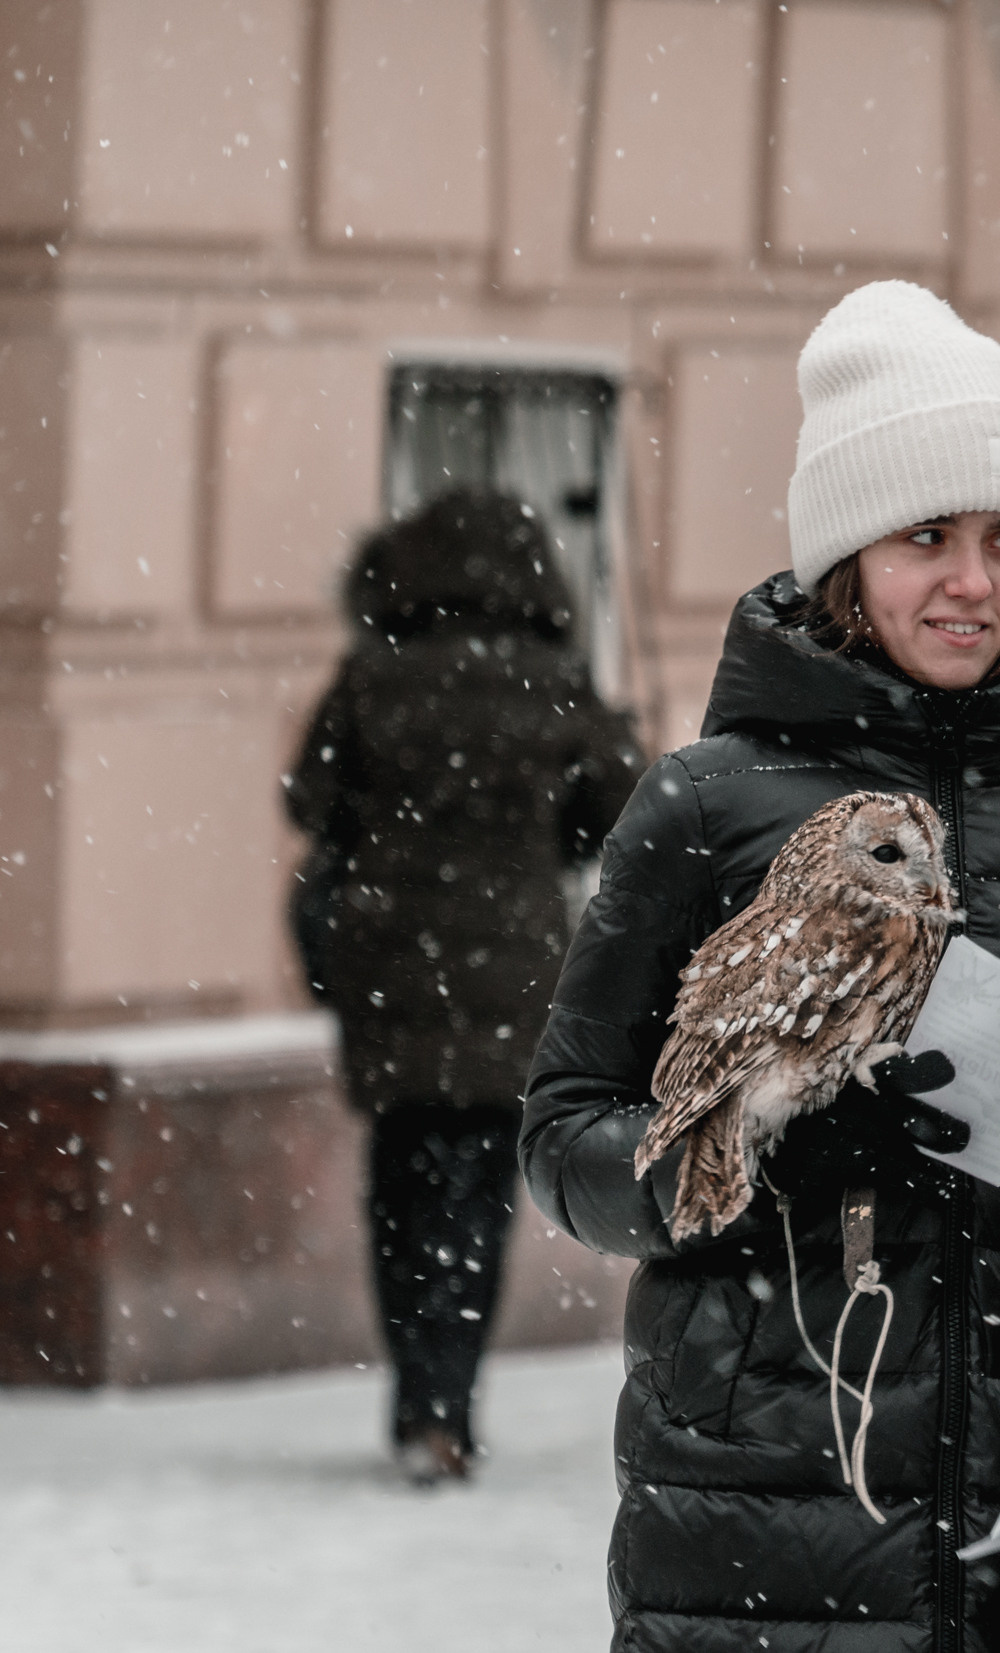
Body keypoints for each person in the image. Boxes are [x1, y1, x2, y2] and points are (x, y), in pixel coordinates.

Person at [522, 281, 1000, 1651]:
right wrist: (756, 1146)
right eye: (926, 537)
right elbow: (563, 1138)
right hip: (761, 1513)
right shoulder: (702, 807)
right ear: (845, 554)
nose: (974, 582)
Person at [286, 488, 643, 1484]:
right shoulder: (554, 681)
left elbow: (309, 801)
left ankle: (416, 1403)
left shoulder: (371, 678)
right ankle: (452, 1408)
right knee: (479, 1197)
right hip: (512, 973)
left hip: (392, 968)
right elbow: (621, 811)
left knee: (402, 1187)